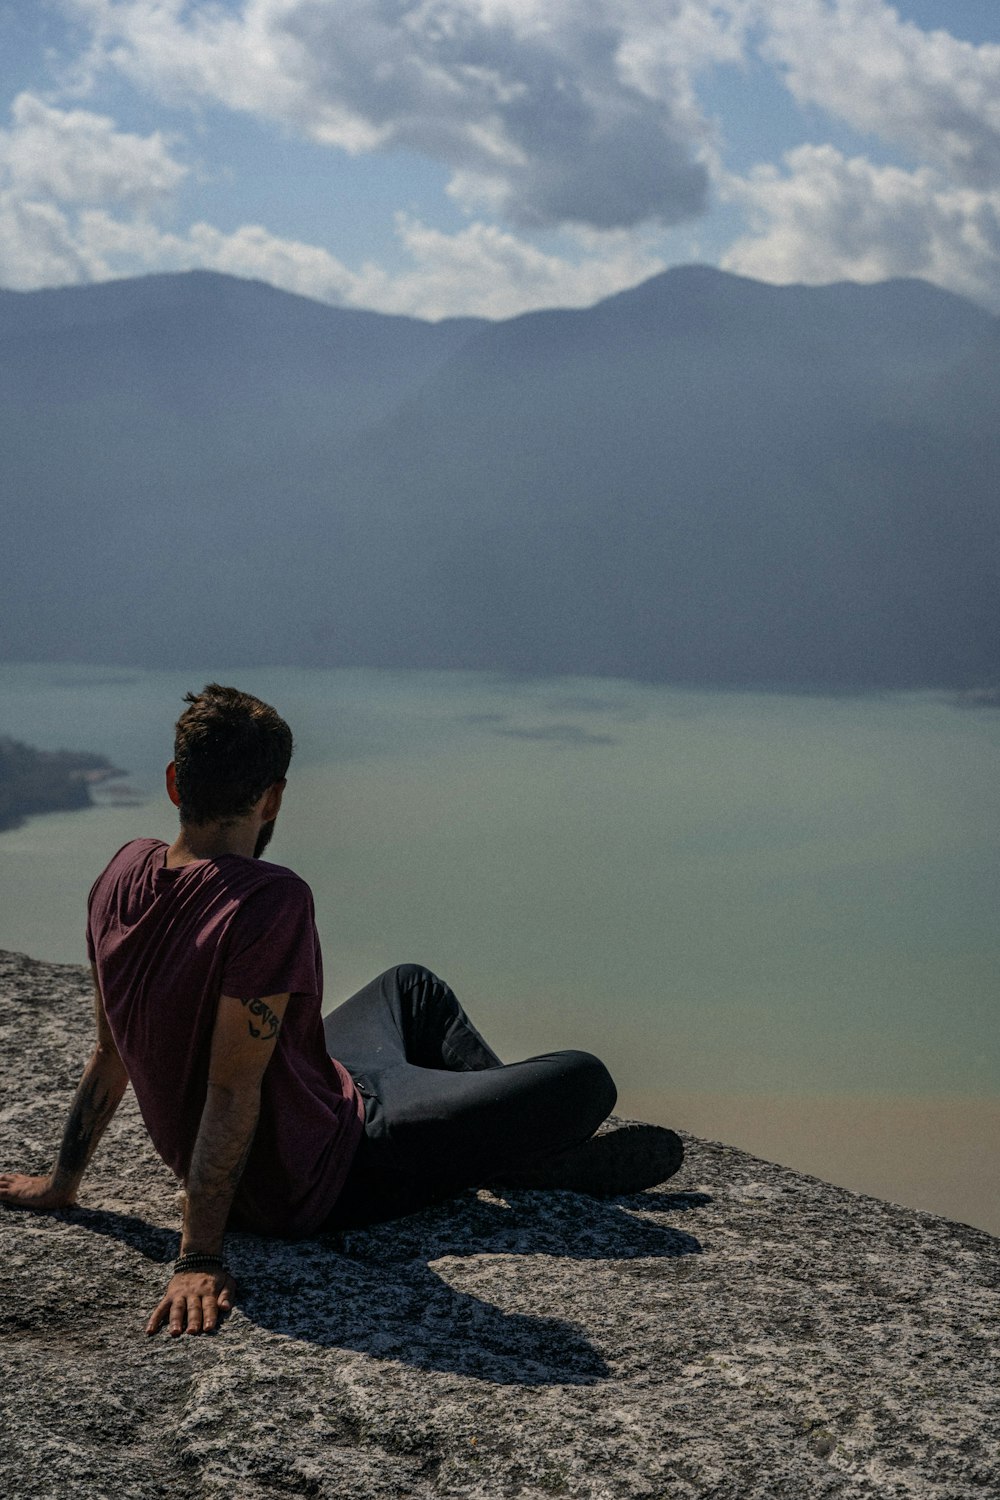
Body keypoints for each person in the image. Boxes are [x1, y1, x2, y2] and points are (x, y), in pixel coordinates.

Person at [0, 685, 682, 1337]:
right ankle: (519, 1159)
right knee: (584, 1077)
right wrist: (200, 1256)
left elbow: (110, 1050)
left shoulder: (122, 869)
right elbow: (232, 1088)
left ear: (176, 784)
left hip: (319, 1096)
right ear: (273, 797)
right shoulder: (267, 901)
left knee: (411, 987)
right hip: (318, 1175)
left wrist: (63, 1184)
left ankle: (503, 1145)